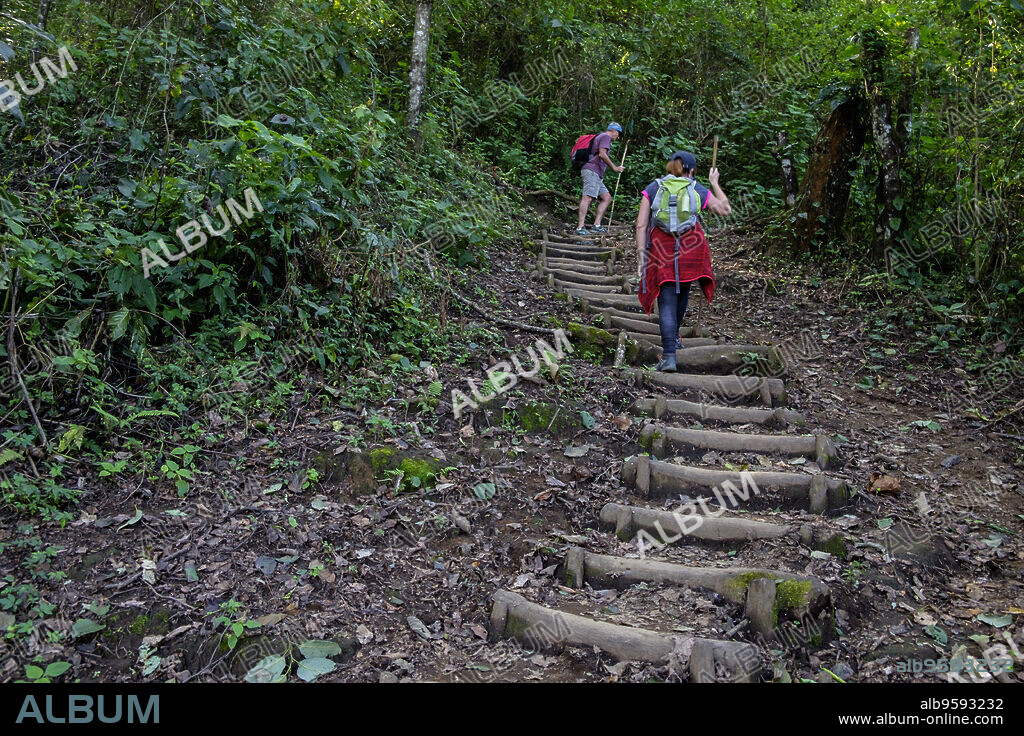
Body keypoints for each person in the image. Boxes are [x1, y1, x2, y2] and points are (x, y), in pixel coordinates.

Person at [635, 151, 731, 372]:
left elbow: (641, 225)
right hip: (691, 249)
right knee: (684, 290)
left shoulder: (654, 188)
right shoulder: (697, 188)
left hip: (662, 249)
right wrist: (714, 183)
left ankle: (669, 355)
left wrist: (641, 254)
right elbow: (725, 210)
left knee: (667, 298)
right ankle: (675, 338)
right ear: (692, 170)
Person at [576, 122, 625, 235]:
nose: (617, 137)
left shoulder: (602, 137)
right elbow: (602, 154)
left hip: (597, 173)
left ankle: (596, 225)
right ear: (615, 131)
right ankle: (580, 227)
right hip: (592, 170)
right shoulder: (605, 137)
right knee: (587, 197)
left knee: (606, 198)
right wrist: (614, 168)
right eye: (618, 134)